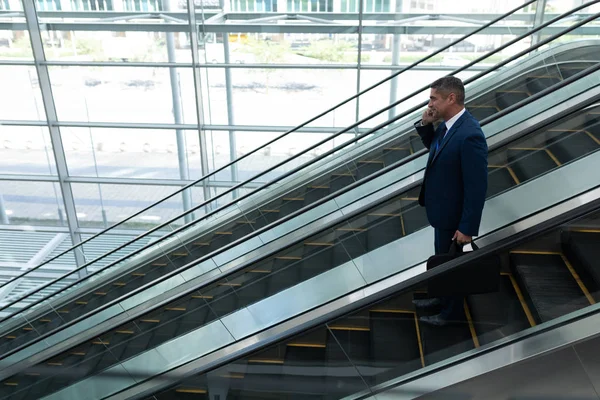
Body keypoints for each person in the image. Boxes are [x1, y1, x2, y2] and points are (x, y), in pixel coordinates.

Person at [412, 76, 488, 326]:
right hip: (441, 213)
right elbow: (437, 150)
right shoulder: (447, 125)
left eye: (434, 98)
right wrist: (426, 124)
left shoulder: (470, 134)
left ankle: (450, 314)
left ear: (451, 98)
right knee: (442, 261)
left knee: (451, 266)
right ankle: (441, 300)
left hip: (455, 217)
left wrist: (467, 228)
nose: (430, 103)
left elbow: (476, 187)